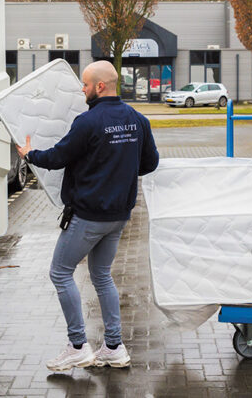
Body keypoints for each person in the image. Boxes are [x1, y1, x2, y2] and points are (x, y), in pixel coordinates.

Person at [17, 60, 159, 372]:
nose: (82, 89)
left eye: (85, 84)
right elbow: (150, 163)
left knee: (60, 272)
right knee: (102, 275)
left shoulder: (88, 122)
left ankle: (78, 346)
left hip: (89, 216)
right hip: (119, 215)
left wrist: (29, 155)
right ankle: (114, 348)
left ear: (100, 86)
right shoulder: (138, 120)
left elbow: (57, 157)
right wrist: (120, 171)